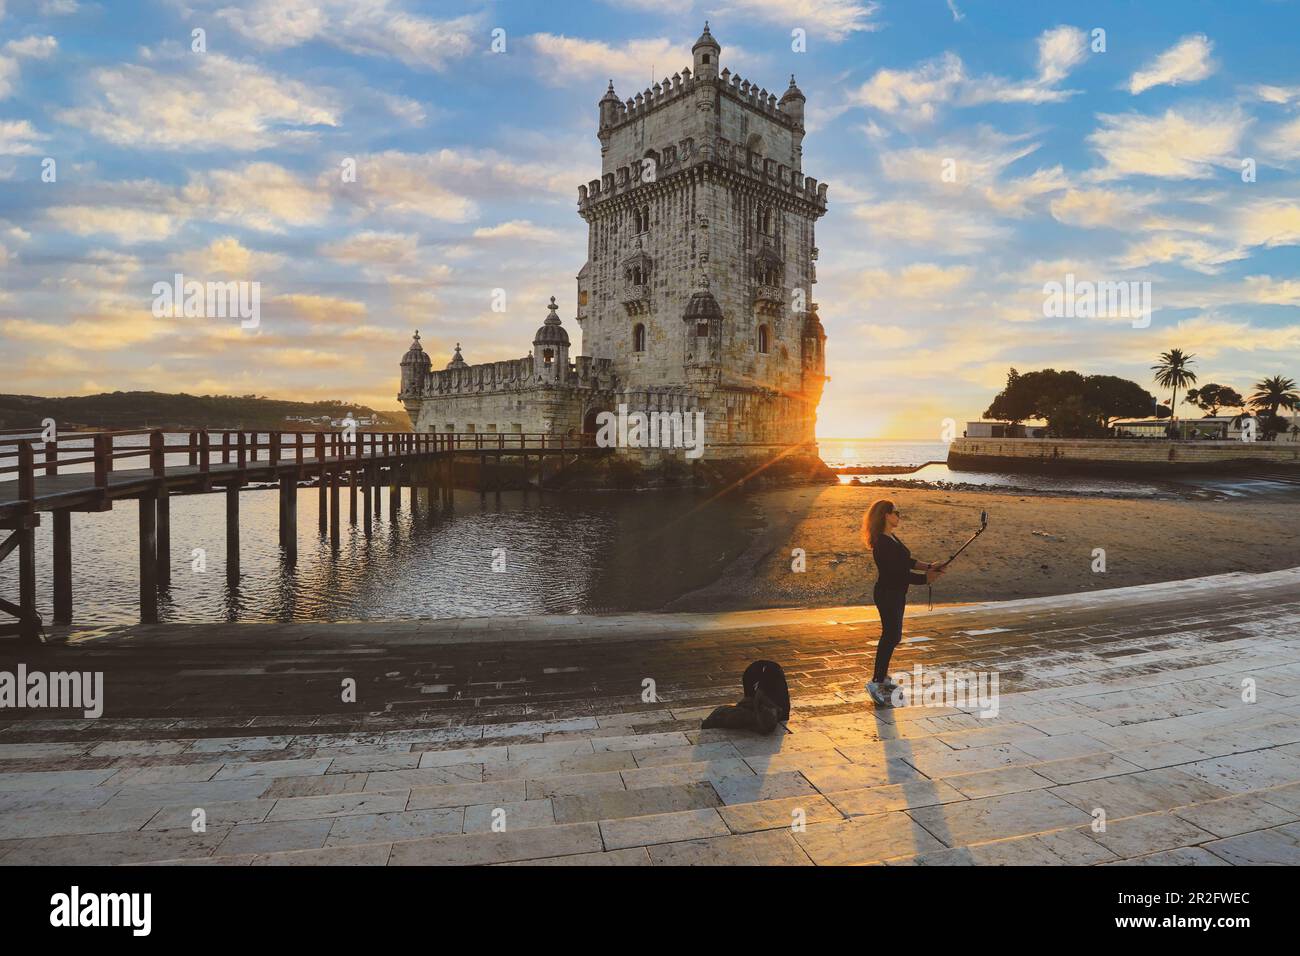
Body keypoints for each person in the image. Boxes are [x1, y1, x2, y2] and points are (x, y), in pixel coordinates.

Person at [862, 498, 945, 707]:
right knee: (891, 635)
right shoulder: (882, 542)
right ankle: (876, 681)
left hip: (895, 593)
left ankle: (881, 676)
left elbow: (905, 562)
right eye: (896, 512)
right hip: (888, 593)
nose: (899, 516)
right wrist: (924, 579)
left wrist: (928, 567)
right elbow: (897, 573)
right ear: (886, 515)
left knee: (892, 635)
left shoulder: (891, 538)